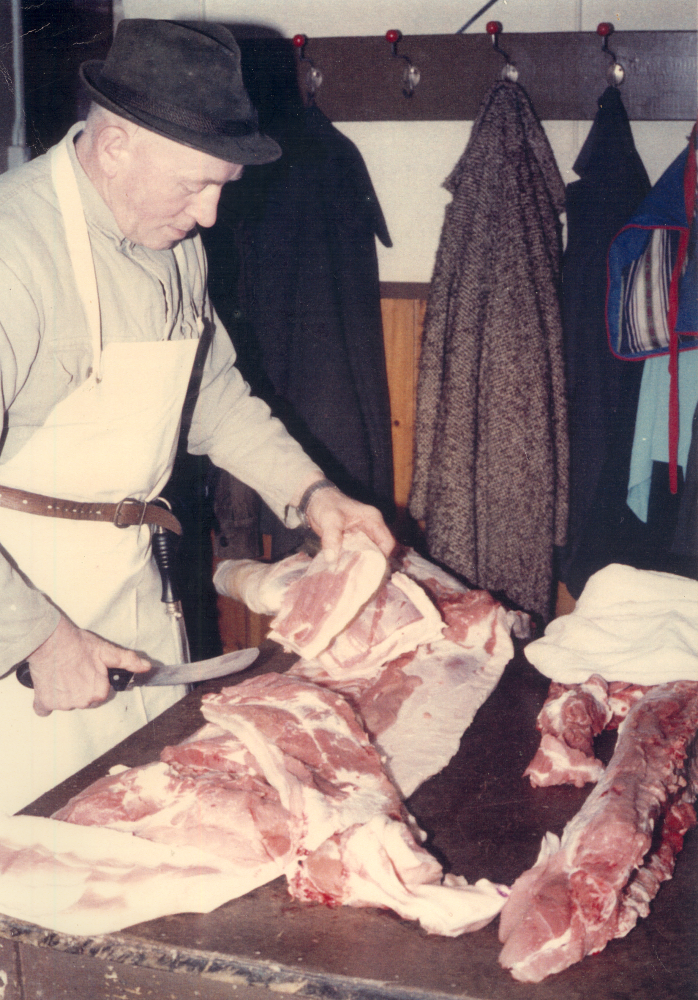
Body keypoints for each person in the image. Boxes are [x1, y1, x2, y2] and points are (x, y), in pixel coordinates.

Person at [0, 19, 393, 814]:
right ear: (115, 147)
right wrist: (34, 637)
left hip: (133, 597)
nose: (211, 215)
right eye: (194, 185)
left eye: (221, 187)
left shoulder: (173, 242)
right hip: (22, 614)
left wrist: (314, 495)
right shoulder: (16, 252)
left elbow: (213, 399)